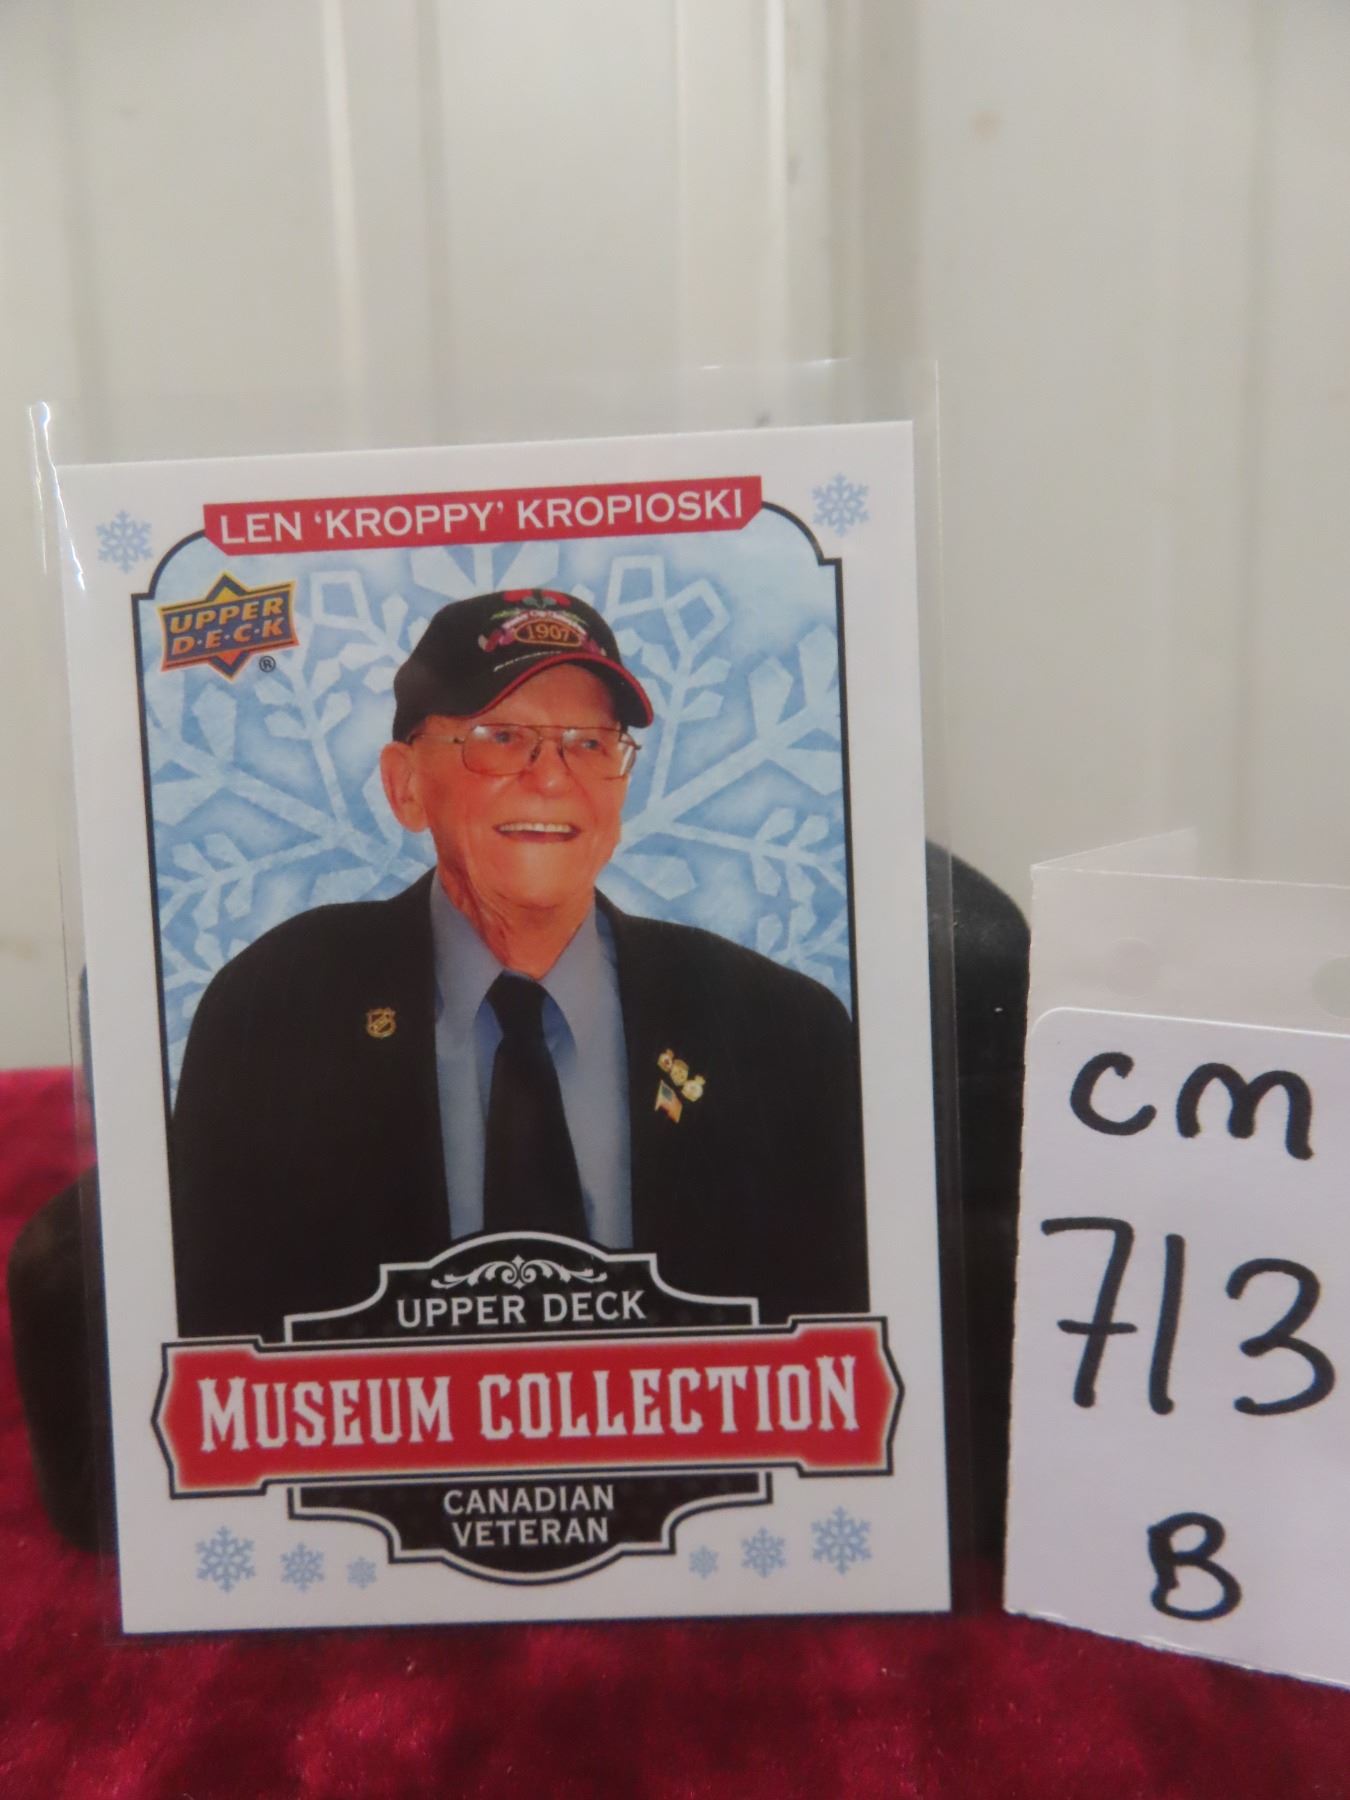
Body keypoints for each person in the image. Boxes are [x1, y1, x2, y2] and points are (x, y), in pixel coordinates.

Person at [169, 588, 867, 1340]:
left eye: (589, 744)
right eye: (501, 737)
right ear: (405, 785)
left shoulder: (779, 1032)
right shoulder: (273, 1015)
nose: (554, 778)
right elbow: (213, 1339)